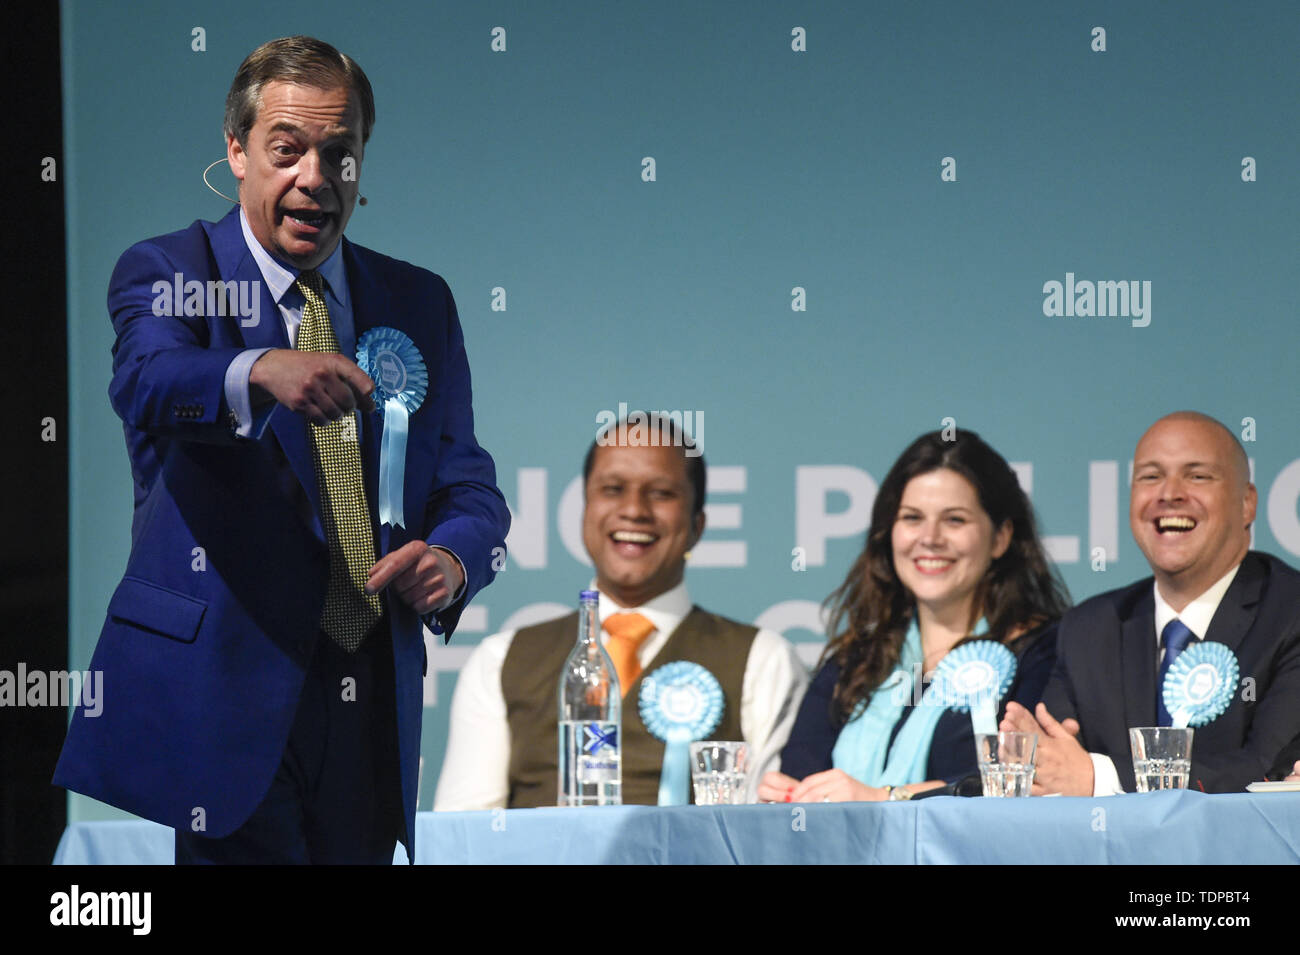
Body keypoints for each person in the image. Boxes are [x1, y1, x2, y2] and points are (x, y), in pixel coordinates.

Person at [53, 36, 511, 863]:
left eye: (340, 154)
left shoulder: (418, 299)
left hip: (369, 700)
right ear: (236, 150)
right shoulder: (170, 268)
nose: (315, 177)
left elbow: (469, 485)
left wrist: (453, 557)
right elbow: (147, 381)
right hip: (226, 697)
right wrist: (262, 368)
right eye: (288, 149)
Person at [435, 414, 808, 809]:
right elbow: (465, 838)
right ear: (583, 512)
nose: (634, 510)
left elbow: (771, 836)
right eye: (613, 489)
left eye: (662, 493)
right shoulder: (500, 660)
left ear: (697, 525)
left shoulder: (765, 660)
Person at [760, 429, 1069, 803]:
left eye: (954, 520)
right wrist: (789, 794)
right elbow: (802, 774)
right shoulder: (856, 661)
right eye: (911, 518)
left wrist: (885, 797)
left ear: (1001, 537)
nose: (930, 538)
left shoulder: (1045, 653)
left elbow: (1023, 778)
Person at [1003, 411, 1300, 795]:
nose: (1169, 493)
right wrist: (1034, 761)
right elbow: (1055, 765)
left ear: (1246, 503)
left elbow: (1272, 770)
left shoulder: (1290, 613)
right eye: (1150, 476)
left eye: (1197, 476)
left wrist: (1100, 778)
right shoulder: (1090, 628)